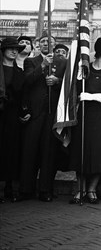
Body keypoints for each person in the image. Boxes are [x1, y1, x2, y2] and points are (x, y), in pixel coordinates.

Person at [69, 37, 101, 204]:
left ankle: (92, 189)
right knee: (82, 152)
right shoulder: (86, 69)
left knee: (100, 153)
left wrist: (94, 96)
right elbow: (76, 87)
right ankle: (80, 189)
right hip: (86, 116)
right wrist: (78, 83)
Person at [20, 32, 67, 201]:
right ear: (38, 44)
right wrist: (42, 67)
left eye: (51, 42)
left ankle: (45, 190)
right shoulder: (30, 61)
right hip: (35, 113)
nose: (47, 44)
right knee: (30, 151)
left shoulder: (63, 62)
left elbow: (68, 86)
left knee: (48, 152)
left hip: (52, 112)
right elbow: (27, 81)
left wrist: (57, 81)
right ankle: (26, 189)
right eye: (44, 41)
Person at [0, 38, 27, 202]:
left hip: (12, 115)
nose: (14, 51)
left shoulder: (19, 71)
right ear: (3, 50)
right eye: (10, 48)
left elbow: (22, 92)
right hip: (1, 112)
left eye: (16, 49)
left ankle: (9, 187)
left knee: (11, 150)